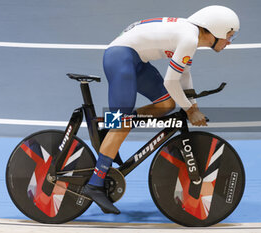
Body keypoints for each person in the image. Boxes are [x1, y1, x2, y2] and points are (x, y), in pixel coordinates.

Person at [83, 5, 240, 214]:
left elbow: (184, 75)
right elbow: (171, 82)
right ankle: (94, 184)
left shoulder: (190, 36)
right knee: (122, 124)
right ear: (217, 29)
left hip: (134, 59)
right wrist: (190, 110)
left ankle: (111, 128)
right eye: (229, 35)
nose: (230, 41)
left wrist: (192, 105)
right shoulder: (189, 38)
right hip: (120, 58)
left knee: (166, 104)